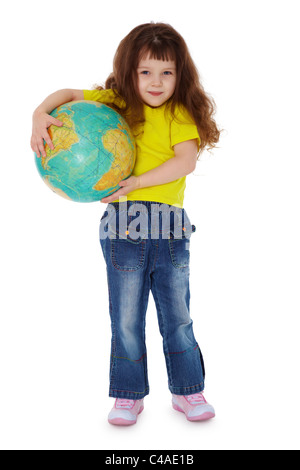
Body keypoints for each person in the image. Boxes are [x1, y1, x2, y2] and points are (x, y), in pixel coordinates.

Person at [31, 22, 221, 426]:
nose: (156, 82)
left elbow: (184, 161)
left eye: (166, 72)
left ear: (180, 75)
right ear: (129, 72)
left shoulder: (179, 112)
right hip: (123, 225)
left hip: (169, 224)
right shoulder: (116, 103)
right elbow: (66, 94)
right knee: (126, 317)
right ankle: (127, 396)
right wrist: (39, 114)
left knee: (178, 315)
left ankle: (189, 392)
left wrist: (135, 182)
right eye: (145, 72)